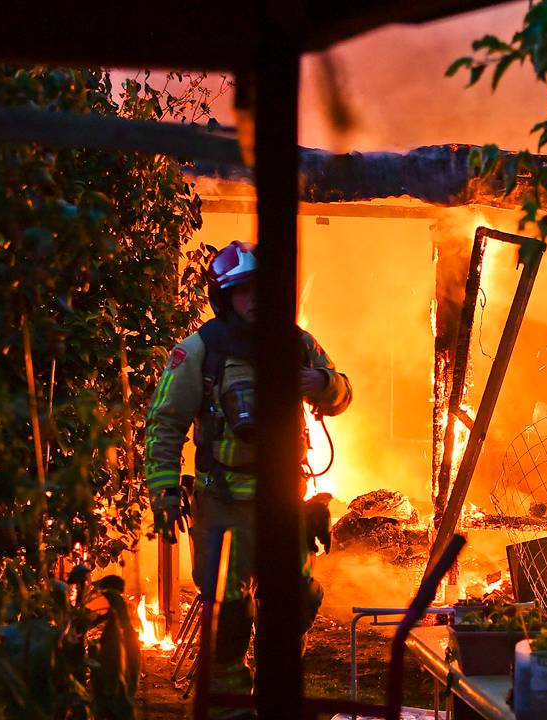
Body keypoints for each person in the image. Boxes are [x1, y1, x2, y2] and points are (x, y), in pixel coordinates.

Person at [143, 240, 351, 717]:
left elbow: (341, 391)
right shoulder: (198, 352)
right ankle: (231, 709)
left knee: (293, 604)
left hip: (282, 501)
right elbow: (165, 423)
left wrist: (324, 385)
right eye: (243, 291)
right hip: (222, 504)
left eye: (262, 288)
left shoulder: (298, 343)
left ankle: (274, 699)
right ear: (224, 297)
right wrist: (164, 490)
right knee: (229, 616)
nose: (255, 298)